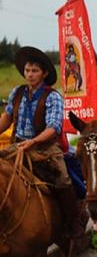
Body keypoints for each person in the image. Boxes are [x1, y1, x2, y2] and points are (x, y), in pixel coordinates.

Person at [0, 46, 83, 237]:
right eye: (27, 70)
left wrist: (33, 142)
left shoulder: (52, 96)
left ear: (44, 73)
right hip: (18, 145)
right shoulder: (17, 92)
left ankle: (73, 221)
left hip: (45, 147)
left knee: (62, 178)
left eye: (34, 71)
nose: (30, 75)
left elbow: (53, 128)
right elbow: (7, 118)